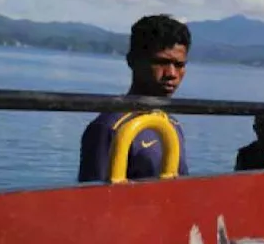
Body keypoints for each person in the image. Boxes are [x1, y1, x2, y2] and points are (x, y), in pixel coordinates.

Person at [78, 15, 192, 183]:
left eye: (179, 65)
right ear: (133, 61)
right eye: (161, 62)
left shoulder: (172, 126)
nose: (172, 74)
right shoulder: (109, 128)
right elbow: (91, 201)